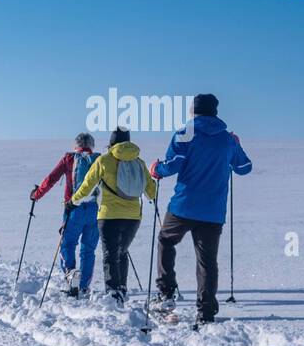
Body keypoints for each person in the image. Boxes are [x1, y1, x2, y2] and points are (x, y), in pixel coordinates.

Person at [149, 93, 252, 324]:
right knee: (207, 261)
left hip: (183, 206)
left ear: (193, 111)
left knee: (166, 240)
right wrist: (236, 144)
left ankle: (166, 293)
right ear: (215, 112)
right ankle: (205, 312)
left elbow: (173, 165)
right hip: (213, 212)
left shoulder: (186, 133)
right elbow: (244, 167)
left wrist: (156, 169)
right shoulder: (227, 139)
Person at [69, 127, 157, 304]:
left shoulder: (104, 160)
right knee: (122, 252)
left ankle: (113, 292)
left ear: (111, 142)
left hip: (109, 216)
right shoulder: (139, 162)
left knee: (110, 254)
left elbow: (87, 186)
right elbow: (151, 192)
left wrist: (73, 200)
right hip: (133, 217)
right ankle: (122, 288)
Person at [30, 132, 100, 297]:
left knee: (67, 244)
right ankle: (83, 286)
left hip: (73, 209)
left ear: (75, 145)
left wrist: (37, 194)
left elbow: (52, 178)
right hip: (94, 210)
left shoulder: (69, 159)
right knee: (88, 249)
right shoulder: (99, 160)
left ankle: (70, 274)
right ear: (92, 145)